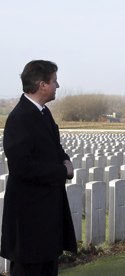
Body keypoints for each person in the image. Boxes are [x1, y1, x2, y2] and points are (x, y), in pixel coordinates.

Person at [0, 60, 77, 276]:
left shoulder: (43, 113)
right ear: (42, 85)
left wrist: (65, 160)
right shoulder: (19, 118)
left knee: (47, 268)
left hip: (46, 213)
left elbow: (55, 147)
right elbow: (21, 167)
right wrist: (63, 171)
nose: (57, 86)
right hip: (29, 217)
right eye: (54, 81)